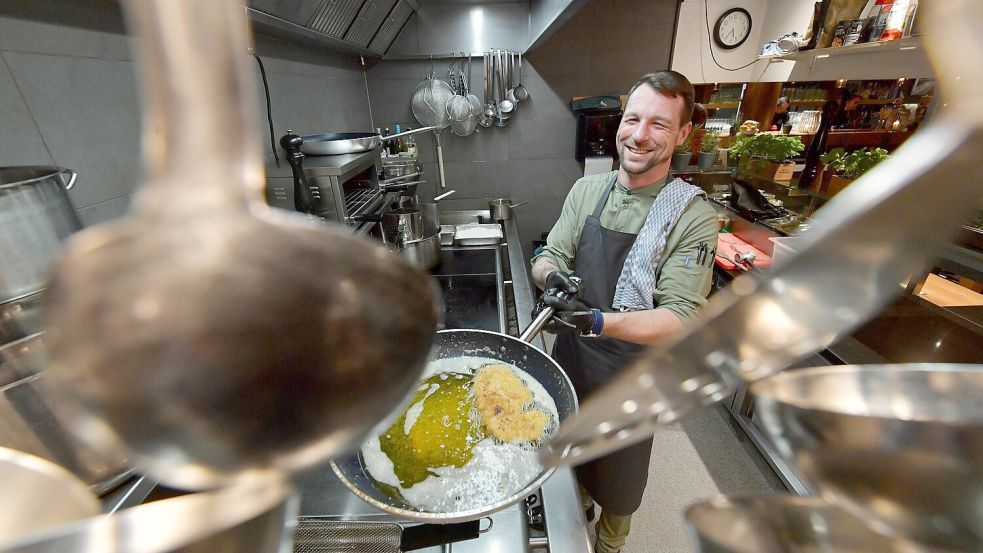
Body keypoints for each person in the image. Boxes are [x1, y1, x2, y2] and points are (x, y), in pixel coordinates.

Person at [529, 71, 718, 553]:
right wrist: (550, 275)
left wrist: (597, 321)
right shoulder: (587, 192)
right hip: (572, 362)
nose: (638, 135)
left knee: (620, 479)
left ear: (682, 134)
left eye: (658, 124)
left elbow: (680, 316)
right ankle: (578, 512)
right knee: (570, 457)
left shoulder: (690, 216)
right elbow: (550, 254)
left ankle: (610, 545)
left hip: (632, 378)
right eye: (632, 119)